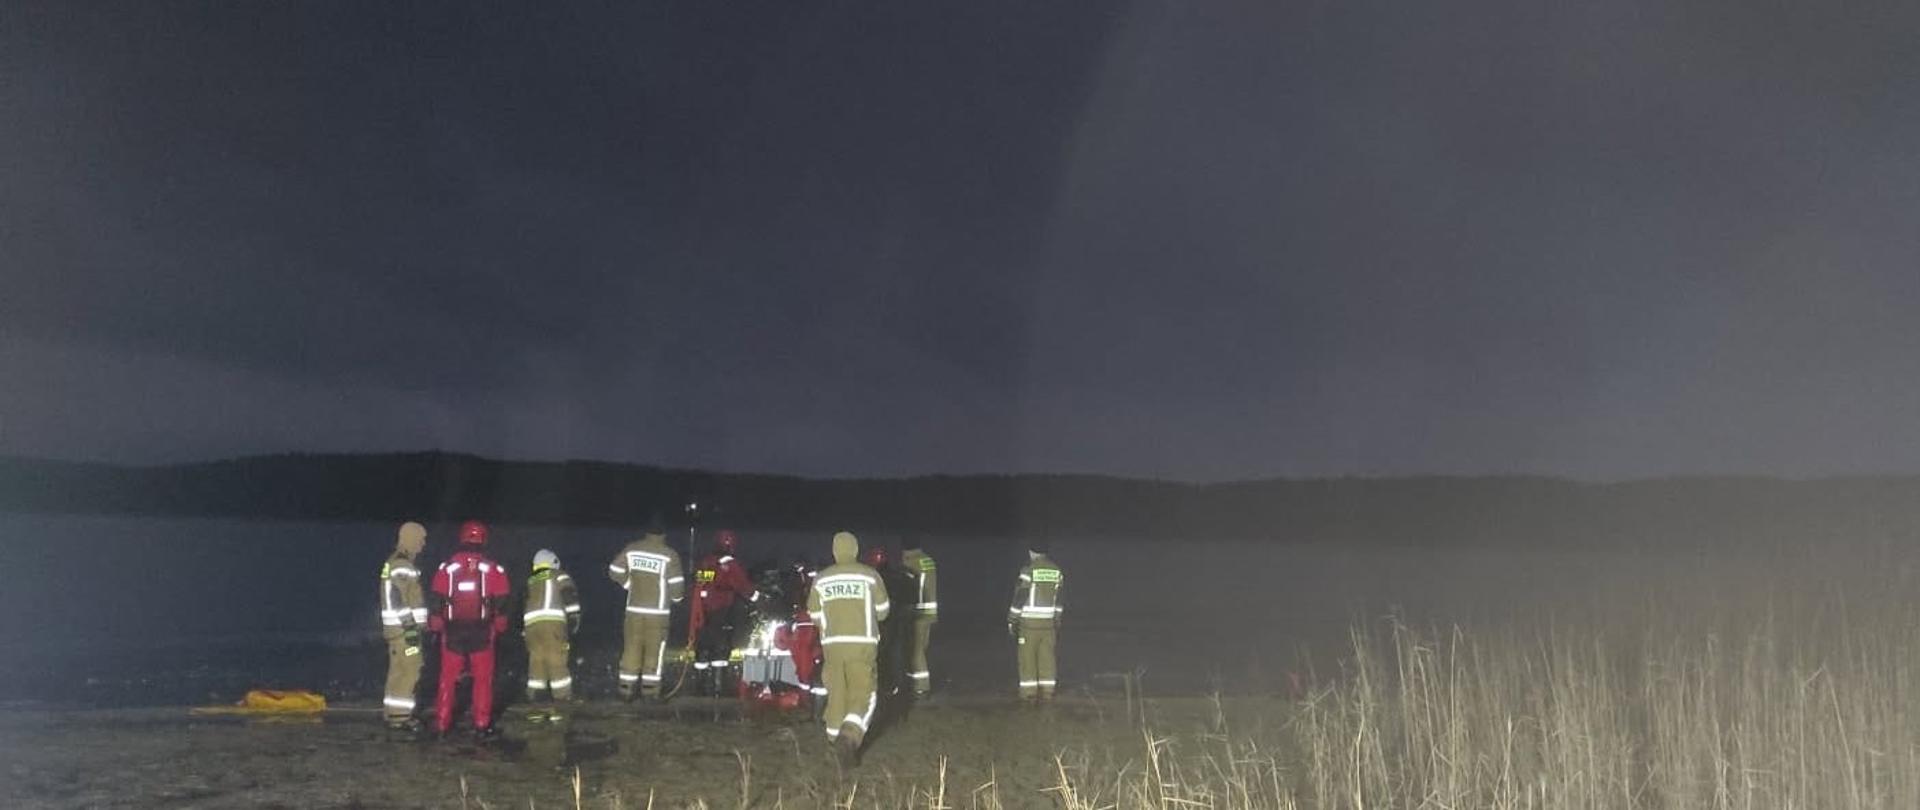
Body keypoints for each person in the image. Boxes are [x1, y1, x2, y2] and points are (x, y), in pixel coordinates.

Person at [808, 531, 889, 766]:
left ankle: (833, 745)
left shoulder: (821, 579)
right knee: (864, 694)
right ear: (855, 550)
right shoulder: (870, 576)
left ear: (834, 551)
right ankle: (849, 736)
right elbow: (883, 610)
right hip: (862, 645)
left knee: (837, 696)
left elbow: (814, 615)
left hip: (833, 647)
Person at [429, 520, 511, 738]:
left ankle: (442, 723)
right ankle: (481, 724)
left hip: (453, 630)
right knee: (483, 679)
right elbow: (501, 598)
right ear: (483, 538)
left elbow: (437, 596)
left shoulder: (448, 567)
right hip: (482, 630)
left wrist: (436, 622)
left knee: (447, 678)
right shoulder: (492, 568)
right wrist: (500, 621)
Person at [608, 524, 685, 701]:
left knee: (631, 650)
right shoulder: (669, 554)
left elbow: (614, 570)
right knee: (654, 653)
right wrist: (677, 599)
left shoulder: (632, 549)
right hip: (657, 614)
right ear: (664, 535)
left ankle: (626, 690)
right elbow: (677, 587)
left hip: (634, 611)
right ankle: (650, 692)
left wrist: (629, 585)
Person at [692, 529, 759, 695]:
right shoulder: (730, 564)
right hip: (722, 609)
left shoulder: (706, 562)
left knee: (703, 645)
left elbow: (699, 583)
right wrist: (758, 597)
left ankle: (700, 685)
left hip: (703, 610)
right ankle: (718, 685)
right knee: (721, 647)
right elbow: (742, 585)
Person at [377, 521, 430, 731]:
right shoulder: (402, 566)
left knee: (397, 672)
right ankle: (401, 717)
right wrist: (410, 627)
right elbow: (398, 597)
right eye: (421, 539)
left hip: (396, 631)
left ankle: (392, 714)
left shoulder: (394, 563)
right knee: (411, 670)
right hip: (404, 630)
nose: (423, 544)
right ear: (410, 538)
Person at [522, 549, 582, 704]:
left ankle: (535, 693)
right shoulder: (559, 575)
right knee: (557, 660)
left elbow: (523, 603)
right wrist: (574, 618)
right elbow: (569, 596)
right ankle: (562, 696)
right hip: (552, 624)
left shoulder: (531, 580)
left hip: (531, 626)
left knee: (536, 659)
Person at [1009, 541, 1065, 702]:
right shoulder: (1057, 571)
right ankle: (1048, 691)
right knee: (1047, 657)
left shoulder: (1028, 571)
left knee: (1027, 659)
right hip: (1048, 624)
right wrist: (1057, 619)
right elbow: (1060, 599)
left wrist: (1012, 619)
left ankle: (1029, 694)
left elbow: (1020, 597)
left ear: (1032, 553)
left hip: (1029, 624)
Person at [862, 545, 914, 699]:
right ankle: (892, 687)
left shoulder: (872, 577)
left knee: (882, 655)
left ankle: (885, 686)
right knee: (892, 655)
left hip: (882, 622)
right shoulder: (897, 575)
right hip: (893, 621)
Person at [898, 539, 939, 697]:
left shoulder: (911, 562)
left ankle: (920, 687)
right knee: (921, 648)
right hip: (929, 612)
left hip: (917, 612)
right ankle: (918, 685)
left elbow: (907, 588)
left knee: (916, 651)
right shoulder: (928, 561)